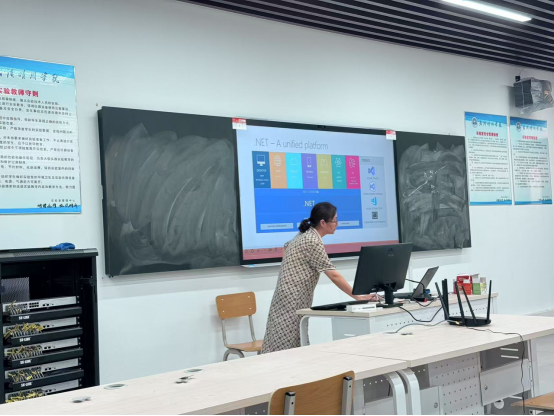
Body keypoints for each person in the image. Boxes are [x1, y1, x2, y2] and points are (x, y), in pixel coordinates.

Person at [261, 202, 375, 354]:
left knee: (289, 342)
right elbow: (333, 275)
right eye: (335, 220)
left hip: (287, 296)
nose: (337, 224)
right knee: (288, 347)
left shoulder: (305, 235)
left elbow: (286, 246)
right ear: (323, 222)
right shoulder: (312, 241)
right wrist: (358, 297)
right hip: (292, 300)